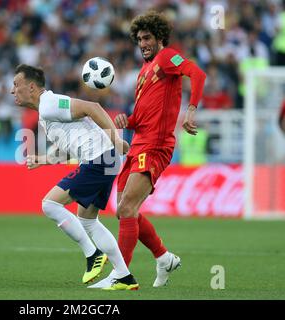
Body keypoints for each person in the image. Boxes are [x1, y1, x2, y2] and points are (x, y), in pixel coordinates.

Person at [93, 11, 206, 288]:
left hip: (155, 145)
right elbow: (145, 114)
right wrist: (126, 120)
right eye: (139, 39)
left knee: (128, 207)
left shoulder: (167, 58)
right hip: (138, 143)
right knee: (123, 210)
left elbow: (197, 73)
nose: (142, 43)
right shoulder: (145, 70)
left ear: (159, 38)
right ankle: (164, 257)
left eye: (147, 38)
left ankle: (121, 275)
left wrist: (191, 111)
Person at [11, 64, 139, 290]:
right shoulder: (45, 115)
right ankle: (123, 275)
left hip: (99, 157)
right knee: (88, 220)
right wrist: (43, 159)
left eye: (16, 85)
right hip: (105, 160)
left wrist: (116, 140)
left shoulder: (49, 104)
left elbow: (93, 107)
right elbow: (69, 147)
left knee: (49, 204)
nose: (12, 91)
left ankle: (93, 255)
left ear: (31, 87)